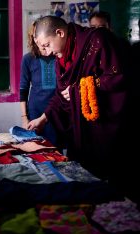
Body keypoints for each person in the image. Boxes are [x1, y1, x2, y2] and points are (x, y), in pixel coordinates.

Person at [27, 16, 132, 195]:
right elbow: (61, 94)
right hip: (82, 131)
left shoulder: (98, 39)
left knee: (112, 184)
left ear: (60, 33)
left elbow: (118, 77)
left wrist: (80, 88)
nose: (46, 53)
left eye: (46, 46)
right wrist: (43, 119)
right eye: (41, 48)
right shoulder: (61, 57)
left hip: (106, 126)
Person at [20, 21, 59, 146]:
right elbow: (23, 89)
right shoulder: (28, 59)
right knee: (38, 148)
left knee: (58, 150)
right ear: (33, 37)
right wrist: (24, 117)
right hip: (35, 111)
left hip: (58, 110)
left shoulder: (59, 56)